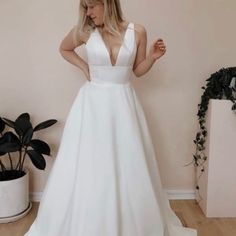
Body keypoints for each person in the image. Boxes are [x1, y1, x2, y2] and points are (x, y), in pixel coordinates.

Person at [24, 0, 197, 235]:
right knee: (91, 164)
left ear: (108, 4)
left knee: (128, 161)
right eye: (85, 7)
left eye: (92, 6)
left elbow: (137, 70)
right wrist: (85, 68)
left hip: (124, 105)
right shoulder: (85, 31)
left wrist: (153, 57)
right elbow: (64, 48)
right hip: (92, 106)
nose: (88, 12)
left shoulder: (138, 31)